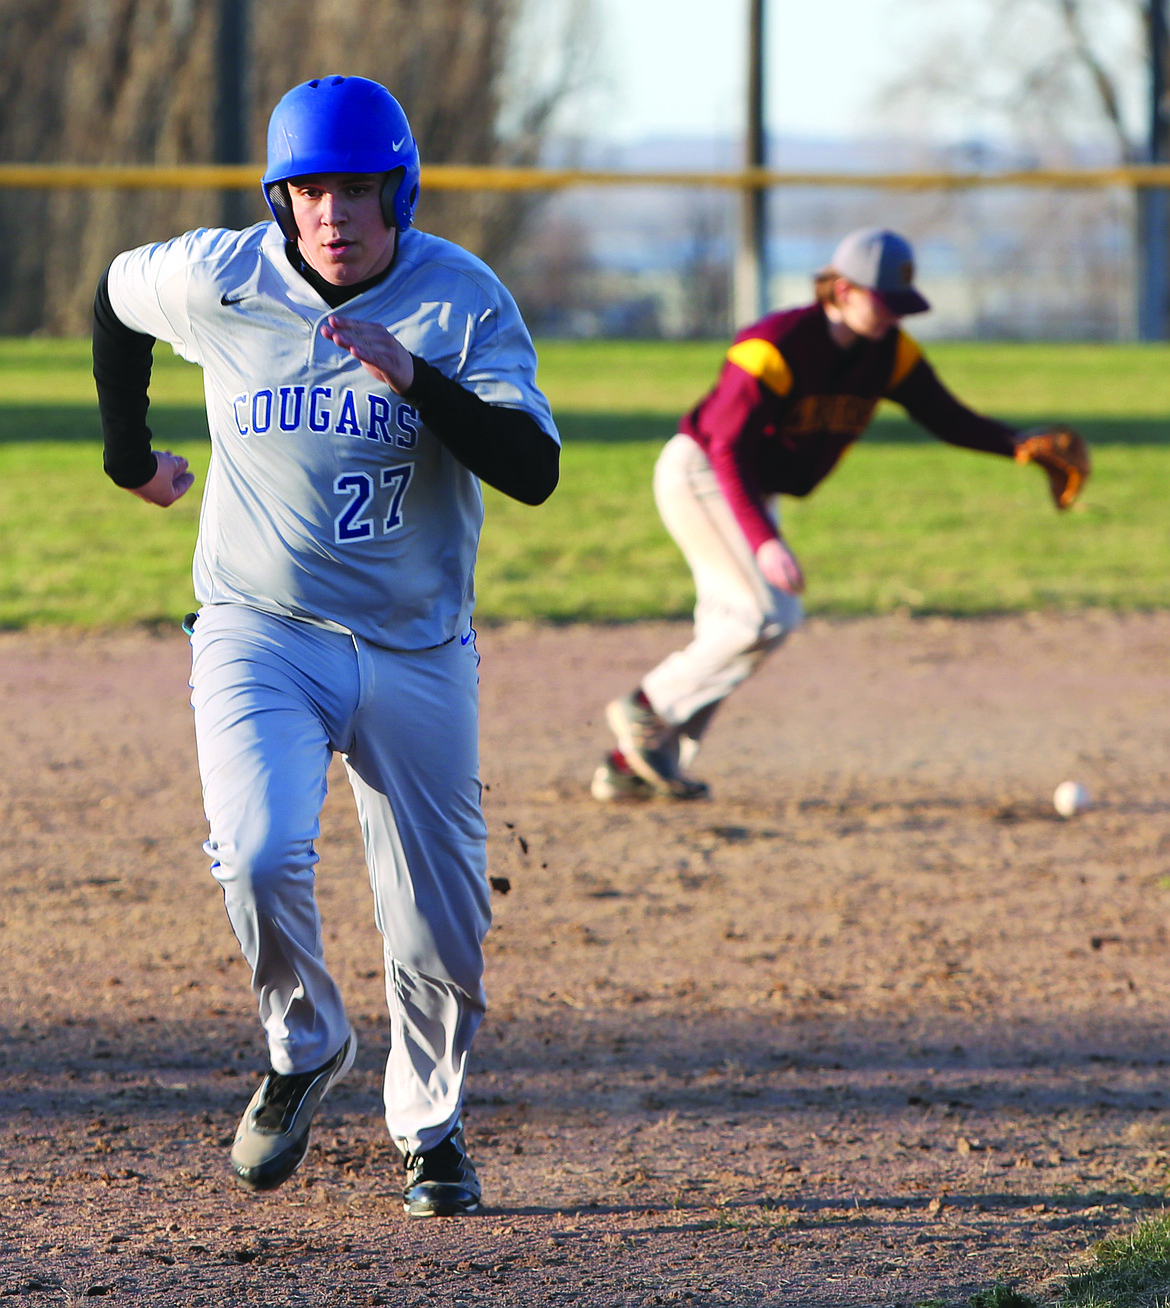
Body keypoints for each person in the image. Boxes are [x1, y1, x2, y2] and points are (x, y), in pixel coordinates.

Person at [92, 75, 560, 1215]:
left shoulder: (460, 299)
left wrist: (417, 376)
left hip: (416, 649)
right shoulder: (225, 276)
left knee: (441, 924)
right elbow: (113, 301)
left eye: (356, 189)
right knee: (254, 853)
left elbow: (533, 470)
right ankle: (303, 1046)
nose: (332, 214)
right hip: (261, 626)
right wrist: (127, 456)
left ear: (398, 191)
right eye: (307, 191)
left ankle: (429, 1124)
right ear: (279, 198)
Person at [592, 226, 1089, 802]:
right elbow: (726, 446)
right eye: (883, 303)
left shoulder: (889, 353)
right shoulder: (776, 345)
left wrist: (1018, 445)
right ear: (842, 290)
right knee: (765, 616)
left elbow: (948, 418)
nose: (892, 318)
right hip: (705, 475)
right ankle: (646, 708)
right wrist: (763, 541)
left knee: (736, 630)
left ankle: (629, 765)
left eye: (900, 306)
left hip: (748, 488)